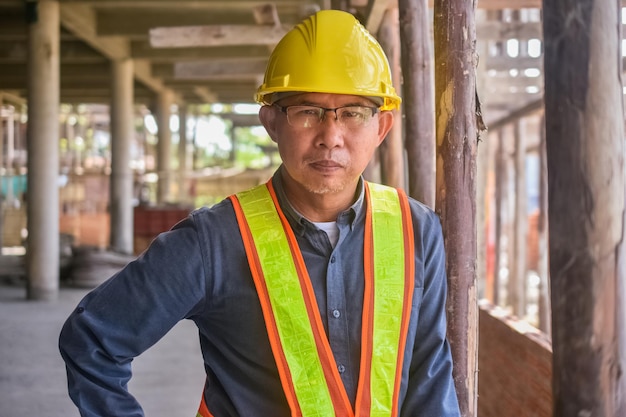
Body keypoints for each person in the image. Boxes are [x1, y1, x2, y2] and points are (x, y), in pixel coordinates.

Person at [59, 9, 461, 417]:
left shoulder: (416, 228)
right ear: (270, 121)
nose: (330, 137)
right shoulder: (214, 240)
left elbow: (428, 374)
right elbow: (91, 341)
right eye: (308, 110)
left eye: (353, 113)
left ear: (382, 127)